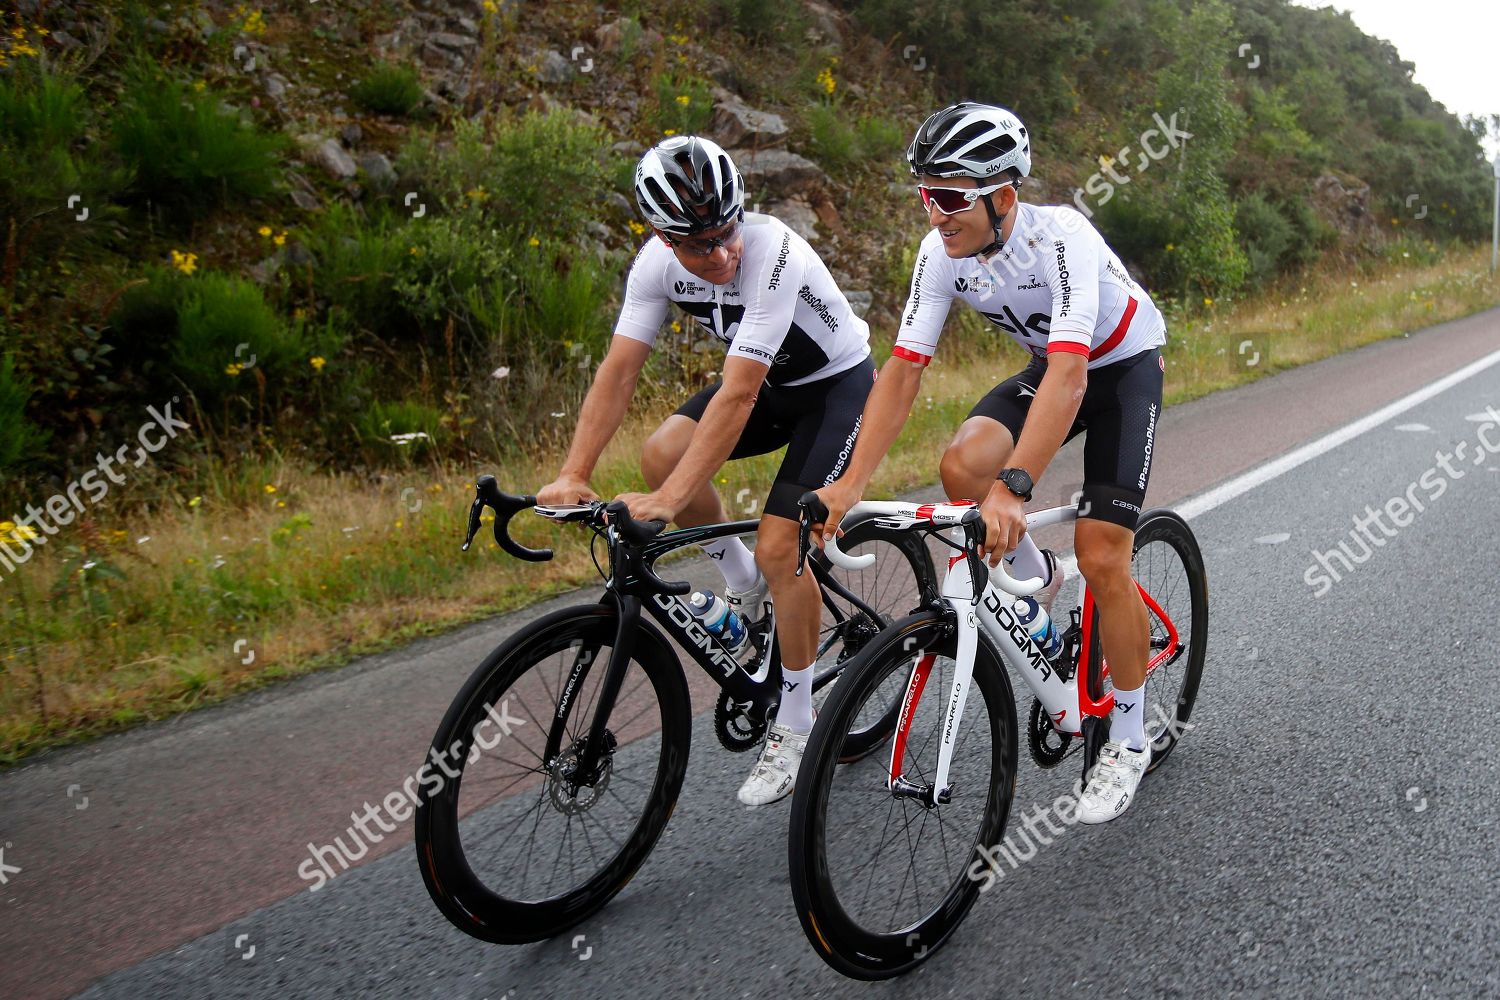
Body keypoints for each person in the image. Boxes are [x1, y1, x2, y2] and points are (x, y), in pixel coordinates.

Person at [814, 103, 1168, 824]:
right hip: (1053, 367)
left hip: (1119, 372)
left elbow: (1072, 376)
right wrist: (846, 487)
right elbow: (903, 372)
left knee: (1104, 557)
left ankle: (1126, 739)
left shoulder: (1061, 236)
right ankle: (1040, 587)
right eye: (925, 195)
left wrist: (1016, 488)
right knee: (962, 465)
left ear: (1003, 196)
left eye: (949, 197)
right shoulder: (939, 255)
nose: (935, 214)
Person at [536, 135, 875, 805]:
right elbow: (619, 371)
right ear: (662, 237)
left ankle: (799, 720)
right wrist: (574, 471)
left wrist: (666, 501)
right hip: (776, 390)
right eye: (698, 245)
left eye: (726, 234)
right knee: (662, 448)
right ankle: (742, 586)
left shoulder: (772, 248)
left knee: (785, 548)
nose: (720, 255)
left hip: (836, 389)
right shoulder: (653, 268)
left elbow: (739, 393)